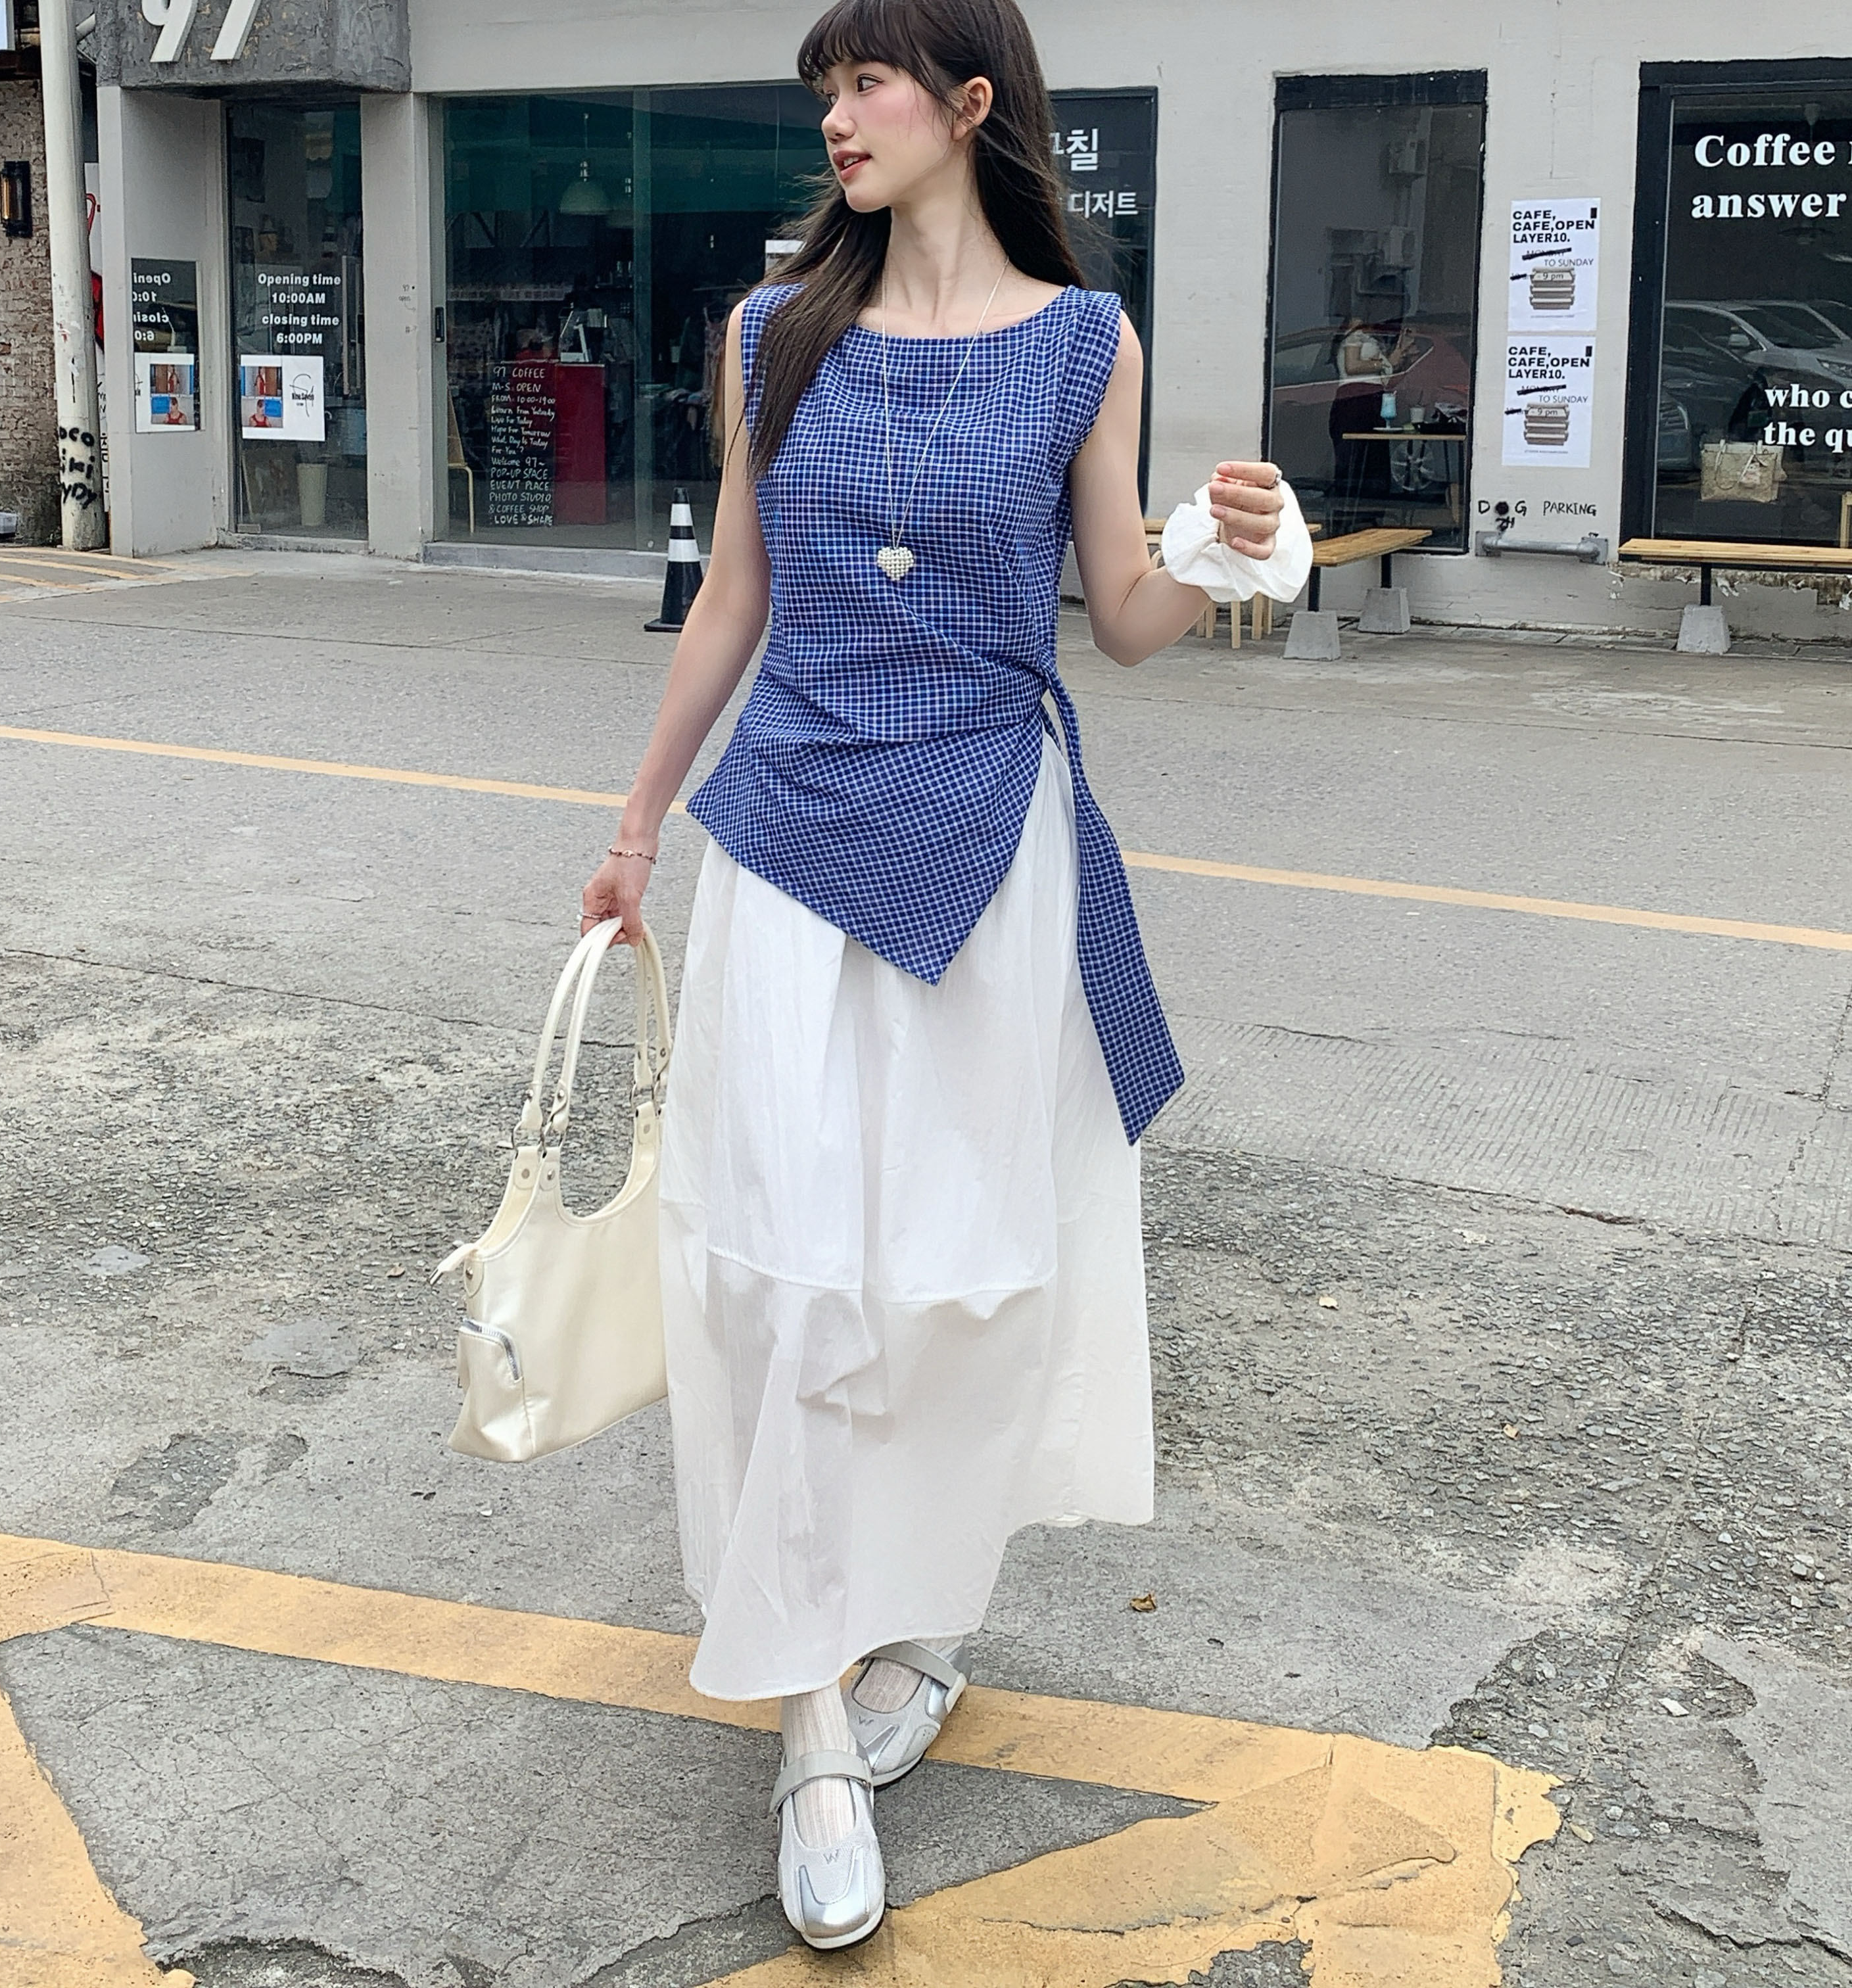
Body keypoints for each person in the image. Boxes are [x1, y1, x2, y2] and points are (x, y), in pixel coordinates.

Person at [579, 0, 1283, 1951]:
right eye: (824, 89)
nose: (836, 117)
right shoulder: (771, 330)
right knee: (784, 1274)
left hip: (993, 849)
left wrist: (1230, 548)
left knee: (954, 1282)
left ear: (972, 105)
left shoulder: (1086, 339)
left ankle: (908, 1624)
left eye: (868, 81)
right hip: (789, 846)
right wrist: (637, 823)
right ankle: (810, 1719)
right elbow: (733, 591)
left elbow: (1122, 616)